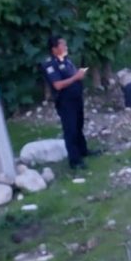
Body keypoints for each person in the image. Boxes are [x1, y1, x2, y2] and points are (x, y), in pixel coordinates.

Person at [42, 36, 91, 170]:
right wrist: (76, 77)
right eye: (63, 45)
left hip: (76, 97)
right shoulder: (50, 65)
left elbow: (72, 75)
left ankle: (83, 151)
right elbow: (57, 85)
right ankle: (74, 161)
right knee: (70, 129)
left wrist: (79, 74)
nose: (66, 47)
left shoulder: (66, 60)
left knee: (79, 124)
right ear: (54, 49)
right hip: (65, 101)